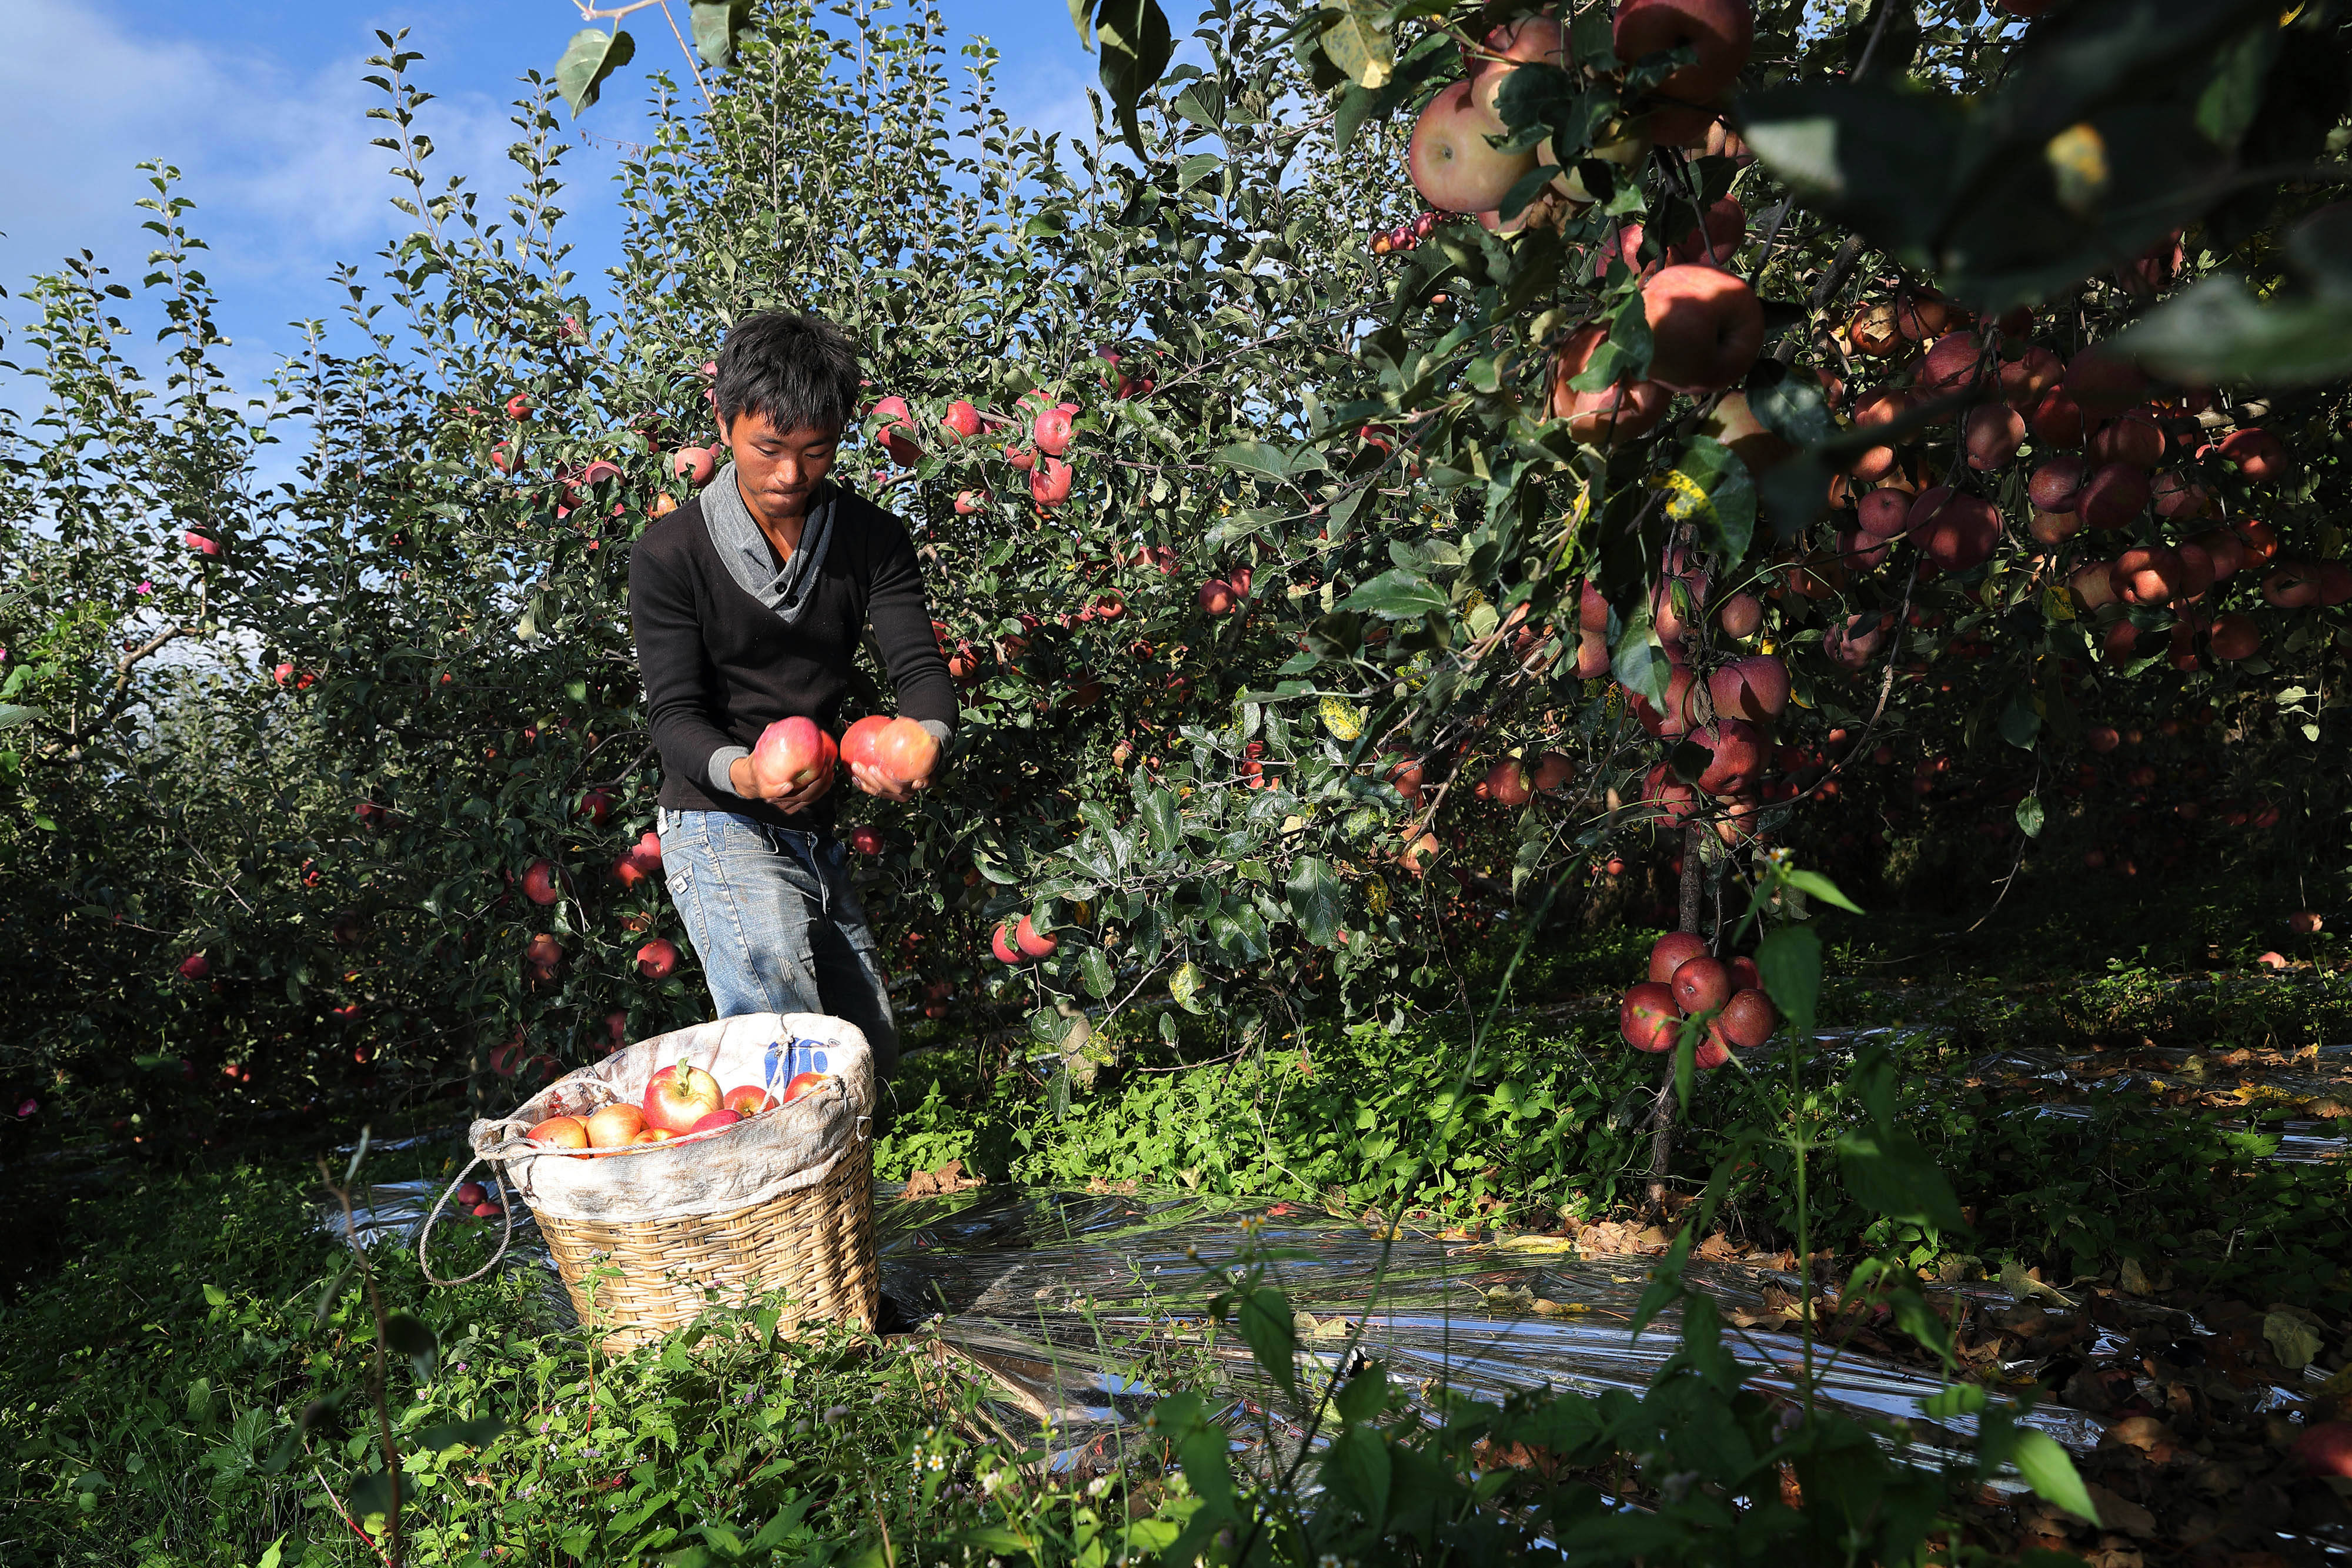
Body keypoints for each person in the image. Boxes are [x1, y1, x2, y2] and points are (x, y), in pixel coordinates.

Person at [629, 311, 954, 1074]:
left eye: (815, 452)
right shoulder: (671, 553)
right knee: (785, 1034)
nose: (789, 475)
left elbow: (922, 676)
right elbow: (674, 717)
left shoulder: (871, 538)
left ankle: (836, 1190)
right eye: (767, 449)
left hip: (813, 819)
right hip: (716, 818)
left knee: (867, 1044)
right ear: (722, 421)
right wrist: (748, 773)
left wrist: (923, 745)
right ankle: (773, 1190)